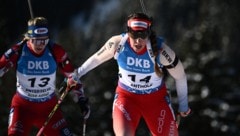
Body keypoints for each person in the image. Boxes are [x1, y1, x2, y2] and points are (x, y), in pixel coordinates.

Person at [67, 12, 191, 136]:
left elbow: (180, 75)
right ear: (128, 31)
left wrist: (183, 105)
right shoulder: (118, 44)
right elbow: (97, 59)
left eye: (143, 34)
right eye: (134, 34)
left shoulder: (161, 51)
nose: (138, 40)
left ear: (148, 33)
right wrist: (77, 74)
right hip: (127, 98)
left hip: (156, 101)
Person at [0, 17, 90, 136]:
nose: (41, 45)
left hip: (48, 109)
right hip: (23, 108)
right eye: (36, 40)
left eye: (44, 40)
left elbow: (72, 76)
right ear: (29, 38)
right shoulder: (18, 51)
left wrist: (81, 99)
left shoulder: (55, 51)